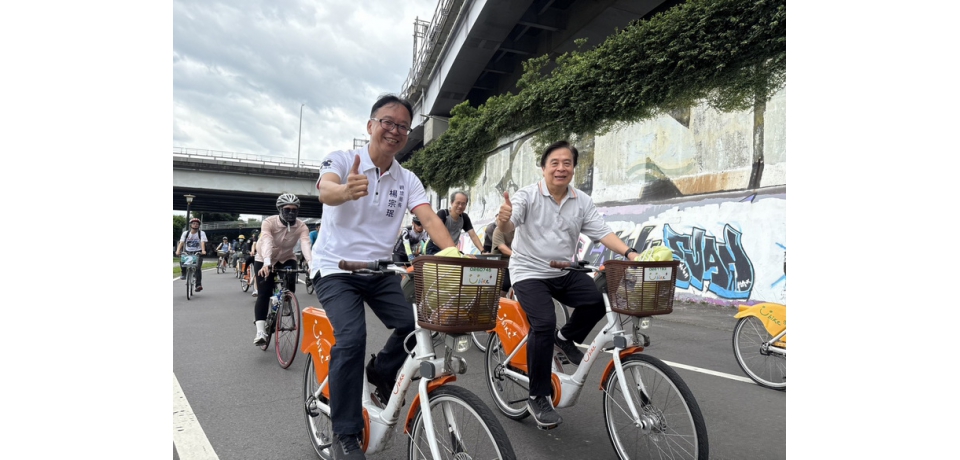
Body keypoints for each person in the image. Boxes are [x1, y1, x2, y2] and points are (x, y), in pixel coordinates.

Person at [310, 94, 458, 460]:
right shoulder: (343, 159)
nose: (395, 130)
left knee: (418, 325)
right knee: (351, 338)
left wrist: (453, 254)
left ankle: (380, 372)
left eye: (403, 126)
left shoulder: (407, 179)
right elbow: (325, 189)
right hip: (336, 269)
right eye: (388, 122)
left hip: (379, 270)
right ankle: (346, 433)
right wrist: (345, 191)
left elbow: (429, 217)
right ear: (371, 126)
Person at [495, 140, 643, 430]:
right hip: (529, 272)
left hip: (563, 271)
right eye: (555, 163)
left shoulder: (581, 201)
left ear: (574, 168)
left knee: (598, 299)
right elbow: (510, 223)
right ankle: (538, 396)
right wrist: (504, 221)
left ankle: (564, 338)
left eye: (567, 163)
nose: (561, 168)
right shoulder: (527, 195)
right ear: (543, 168)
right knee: (543, 322)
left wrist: (630, 253)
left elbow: (602, 232)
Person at [252, 193, 312, 346]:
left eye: (294, 210)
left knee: (291, 280)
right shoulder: (269, 222)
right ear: (280, 209)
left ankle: (285, 299)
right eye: (287, 209)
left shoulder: (301, 226)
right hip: (264, 258)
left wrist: (311, 264)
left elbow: (305, 243)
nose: (291, 213)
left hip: (286, 257)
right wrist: (266, 262)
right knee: (264, 293)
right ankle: (260, 331)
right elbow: (267, 240)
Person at [424, 190, 484, 255]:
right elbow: (436, 234)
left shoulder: (464, 218)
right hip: (435, 248)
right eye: (458, 203)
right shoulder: (443, 214)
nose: (460, 206)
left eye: (463, 204)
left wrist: (483, 251)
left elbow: (473, 236)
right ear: (451, 203)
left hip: (451, 250)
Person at [176, 218, 208, 291]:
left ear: (199, 226)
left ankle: (198, 285)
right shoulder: (186, 233)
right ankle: (184, 273)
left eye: (197, 224)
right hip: (188, 251)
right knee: (182, 259)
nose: (195, 225)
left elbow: (202, 242)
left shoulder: (201, 233)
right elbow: (181, 242)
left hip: (198, 251)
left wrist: (203, 250)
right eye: (194, 223)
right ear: (190, 225)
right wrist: (178, 250)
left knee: (197, 268)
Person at [490, 224, 515, 297]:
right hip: (502, 263)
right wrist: (518, 256)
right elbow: (501, 247)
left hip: (516, 262)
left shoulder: (521, 231)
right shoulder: (499, 230)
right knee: (505, 283)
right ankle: (497, 300)